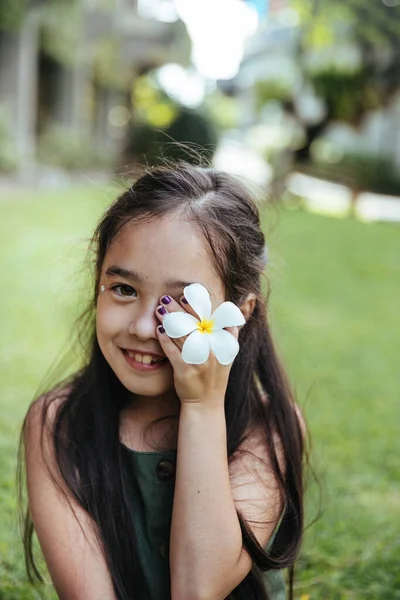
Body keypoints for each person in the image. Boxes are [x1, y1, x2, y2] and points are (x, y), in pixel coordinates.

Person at [18, 161, 307, 600]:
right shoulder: (58, 424)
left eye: (179, 304)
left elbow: (199, 588)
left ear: (238, 316)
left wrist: (203, 406)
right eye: (124, 289)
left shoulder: (267, 430)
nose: (142, 327)